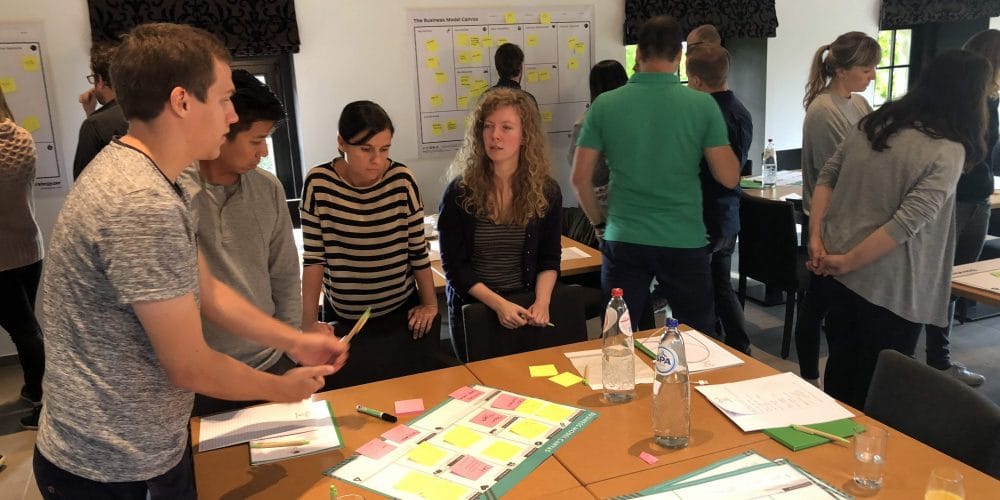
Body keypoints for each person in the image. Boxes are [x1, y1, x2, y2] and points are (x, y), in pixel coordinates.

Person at [34, 23, 347, 498]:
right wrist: (281, 388)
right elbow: (189, 366)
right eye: (224, 100)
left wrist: (293, 340)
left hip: (146, 444)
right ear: (182, 101)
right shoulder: (141, 202)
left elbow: (210, 293)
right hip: (110, 464)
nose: (231, 115)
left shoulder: (157, 176)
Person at [807, 49, 991, 410]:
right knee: (880, 391)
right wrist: (848, 260)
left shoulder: (874, 124)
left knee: (842, 371)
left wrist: (817, 239)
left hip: (839, 269)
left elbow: (827, 176)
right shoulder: (947, 149)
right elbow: (907, 223)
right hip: (891, 284)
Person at [571, 15, 739, 334]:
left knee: (618, 336)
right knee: (698, 337)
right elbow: (729, 177)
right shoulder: (702, 106)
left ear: (639, 54)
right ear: (680, 56)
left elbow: (580, 179)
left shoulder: (605, 105)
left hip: (624, 237)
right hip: (683, 237)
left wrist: (600, 225)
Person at [179, 69, 304, 416]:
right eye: (255, 140)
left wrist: (291, 348)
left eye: (268, 140)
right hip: (203, 377)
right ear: (223, 130)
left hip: (271, 363)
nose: (263, 152)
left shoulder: (268, 188)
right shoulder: (176, 195)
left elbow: (284, 274)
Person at [300, 100, 439, 388]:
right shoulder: (318, 183)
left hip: (400, 312)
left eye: (384, 149)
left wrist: (430, 304)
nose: (377, 159)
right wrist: (308, 323)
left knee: (407, 390)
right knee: (350, 391)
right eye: (366, 149)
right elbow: (314, 259)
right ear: (341, 143)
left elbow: (417, 251)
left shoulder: (402, 181)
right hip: (344, 316)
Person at [438, 88, 562, 361]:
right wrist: (498, 305)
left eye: (506, 127)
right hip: (476, 307)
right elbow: (455, 269)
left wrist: (542, 302)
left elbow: (549, 258)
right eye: (488, 126)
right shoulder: (459, 193)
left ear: (525, 136)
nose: (495, 135)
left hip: (524, 305)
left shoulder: (547, 191)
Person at [795, 31, 880, 387]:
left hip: (851, 219)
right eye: (866, 69)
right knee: (817, 304)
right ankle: (809, 378)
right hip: (827, 221)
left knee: (839, 305)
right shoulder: (823, 110)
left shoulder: (858, 104)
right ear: (842, 70)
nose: (872, 75)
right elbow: (839, 173)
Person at [919, 30, 1000, 387]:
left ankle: (939, 359)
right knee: (941, 280)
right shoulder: (964, 103)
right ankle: (935, 360)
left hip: (974, 198)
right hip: (957, 198)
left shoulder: (987, 101)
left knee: (952, 281)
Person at [685, 44, 754, 354]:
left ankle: (708, 348)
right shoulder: (741, 111)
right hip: (728, 213)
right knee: (722, 285)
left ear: (696, 81)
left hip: (702, 215)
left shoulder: (702, 117)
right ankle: (740, 346)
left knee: (698, 292)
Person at [0, 87, 45, 429]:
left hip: (1, 258)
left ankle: (43, 401)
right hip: (30, 248)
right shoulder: (22, 139)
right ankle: (35, 390)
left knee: (26, 332)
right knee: (27, 328)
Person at [567, 60, 628, 215]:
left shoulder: (586, 123)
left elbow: (577, 168)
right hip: (633, 203)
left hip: (598, 206)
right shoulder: (636, 118)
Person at [72, 41, 128, 179]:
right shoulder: (149, 111)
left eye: (93, 78)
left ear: (101, 80)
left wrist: (92, 116)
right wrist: (92, 113)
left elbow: (83, 182)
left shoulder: (94, 125)